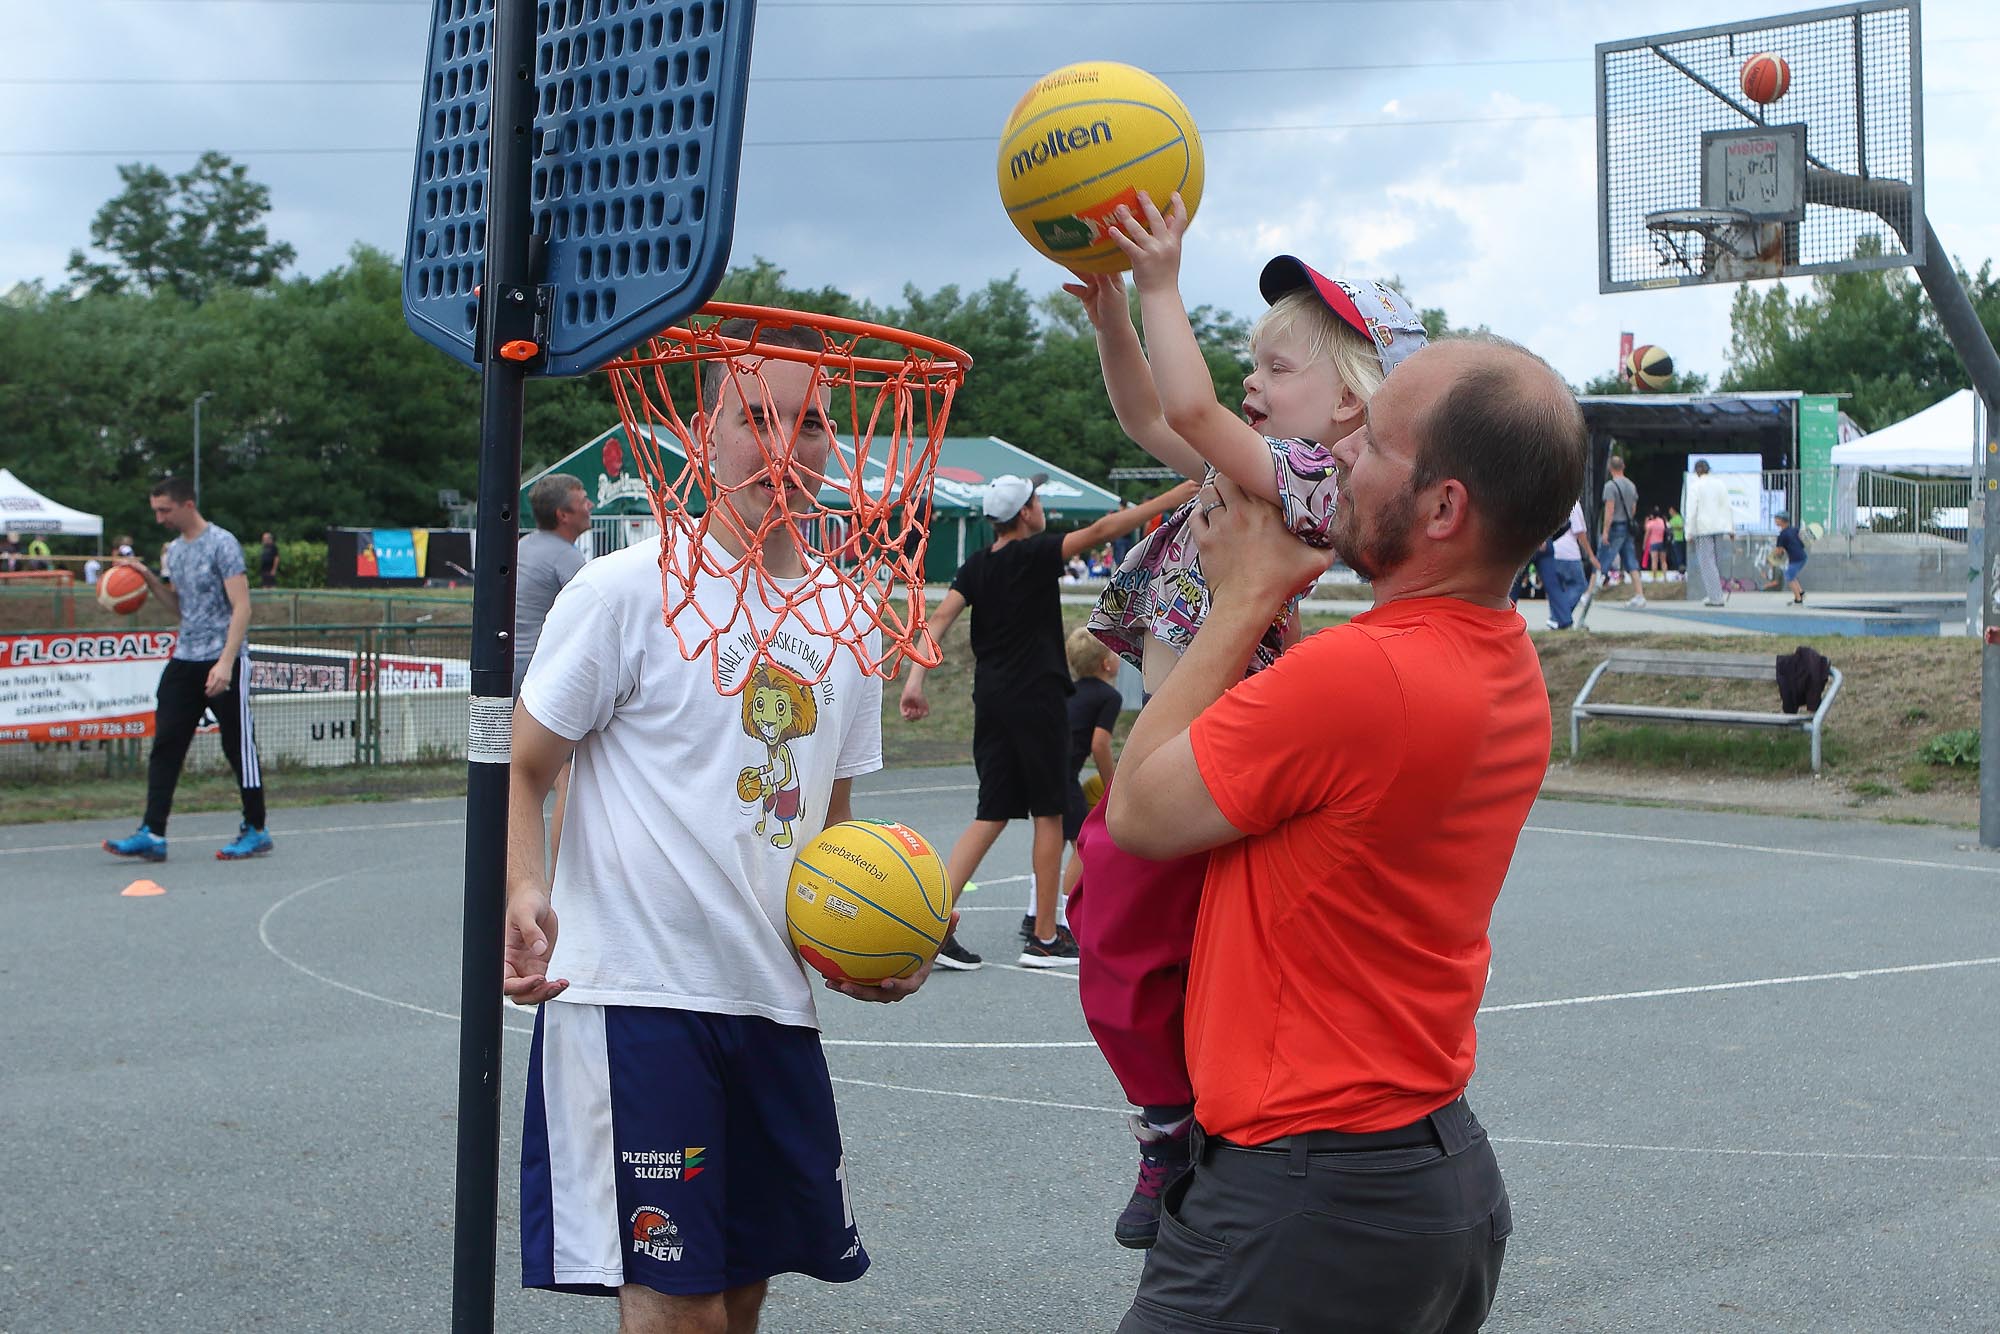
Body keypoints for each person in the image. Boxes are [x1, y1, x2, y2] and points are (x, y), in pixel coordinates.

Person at [1103, 334, 1587, 1333]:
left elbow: (1139, 810)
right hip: (1424, 1185)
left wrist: (1241, 592)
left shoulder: (1362, 679)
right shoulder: (1504, 669)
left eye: (1369, 442)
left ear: (1442, 507)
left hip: (1299, 1204)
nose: (1339, 460)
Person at [504, 319, 935, 1332]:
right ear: (701, 434)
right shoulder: (627, 588)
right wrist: (524, 887)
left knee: (744, 1292)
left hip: (771, 1000)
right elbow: (525, 766)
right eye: (756, 416)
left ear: (839, 445)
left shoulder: (844, 617)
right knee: (679, 1303)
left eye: (812, 421)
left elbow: (831, 833)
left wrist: (869, 941)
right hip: (637, 992)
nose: (786, 442)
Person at [1064, 197, 1431, 1249]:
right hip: (1174, 742)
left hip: (1215, 750)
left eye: (1275, 369)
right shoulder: (1246, 468)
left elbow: (1183, 410)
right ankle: (1168, 1114)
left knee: (1127, 931)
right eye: (1250, 367)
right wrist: (1108, 324)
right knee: (1118, 935)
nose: (1247, 387)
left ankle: (1172, 1118)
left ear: (1354, 406)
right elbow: (1151, 414)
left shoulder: (1306, 484)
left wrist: (1160, 283)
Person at [898, 473, 1194, 970]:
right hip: (1037, 700)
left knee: (991, 811)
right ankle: (1044, 936)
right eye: (1036, 500)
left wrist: (914, 681)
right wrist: (1171, 498)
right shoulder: (1034, 555)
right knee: (1050, 812)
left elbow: (940, 619)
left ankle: (934, 925)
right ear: (1025, 513)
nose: (1041, 508)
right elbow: (1103, 530)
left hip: (991, 702)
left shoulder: (975, 567)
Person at [103, 476, 271, 862]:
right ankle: (153, 832)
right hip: (185, 657)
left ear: (187, 505)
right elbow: (183, 608)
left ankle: (256, 828)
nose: (160, 518)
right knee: (166, 746)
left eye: (165, 510)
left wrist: (226, 662)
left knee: (238, 746)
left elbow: (242, 607)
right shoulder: (174, 552)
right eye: (156, 511)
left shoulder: (222, 543)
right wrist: (147, 580)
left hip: (223, 657)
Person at [513, 474, 593, 696]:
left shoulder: (524, 545)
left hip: (508, 664)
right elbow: (595, 612)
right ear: (563, 515)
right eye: (584, 501)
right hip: (537, 668)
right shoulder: (566, 557)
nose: (590, 506)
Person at [1534, 499, 1599, 631]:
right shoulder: (1573, 503)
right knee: (1579, 584)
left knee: (1557, 588)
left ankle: (1557, 618)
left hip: (1552, 549)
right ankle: (1558, 617)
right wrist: (1591, 555)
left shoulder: (1555, 501)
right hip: (1568, 553)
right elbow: (1580, 532)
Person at [1686, 459, 1736, 606]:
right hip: (1719, 528)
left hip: (1703, 529)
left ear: (1697, 471)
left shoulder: (1695, 486)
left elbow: (1691, 511)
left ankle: (1716, 597)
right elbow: (1727, 507)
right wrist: (1731, 529)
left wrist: (1689, 532)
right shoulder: (1720, 484)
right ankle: (1714, 593)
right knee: (1716, 562)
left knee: (1706, 563)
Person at [1597, 454, 1644, 604]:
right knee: (1631, 561)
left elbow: (1609, 510)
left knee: (1603, 559)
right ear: (1623, 467)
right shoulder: (1631, 485)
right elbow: (1633, 509)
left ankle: (1590, 592)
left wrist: (1605, 531)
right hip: (1627, 527)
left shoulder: (1610, 486)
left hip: (1615, 526)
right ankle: (1639, 595)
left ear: (1610, 468)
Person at [1774, 510, 1809, 603]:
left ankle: (1798, 598)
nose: (1775, 521)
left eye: (1777, 519)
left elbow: (1779, 551)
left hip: (1796, 558)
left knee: (1789, 576)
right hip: (1802, 556)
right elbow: (1802, 541)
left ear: (1782, 521)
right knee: (1792, 575)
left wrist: (1776, 555)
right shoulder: (1795, 530)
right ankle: (1801, 592)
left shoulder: (1782, 535)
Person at [1643, 507, 1668, 580]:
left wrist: (1644, 544)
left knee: (1654, 561)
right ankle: (1665, 577)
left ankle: (1654, 578)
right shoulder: (1662, 521)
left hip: (1653, 543)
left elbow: (1646, 534)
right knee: (1663, 561)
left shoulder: (1651, 523)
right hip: (1662, 542)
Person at [1667, 504, 1686, 575]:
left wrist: (1673, 527)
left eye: (1671, 511)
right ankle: (1676, 569)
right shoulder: (1671, 519)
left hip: (1678, 539)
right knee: (1673, 556)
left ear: (1674, 511)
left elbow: (1681, 526)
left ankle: (1681, 571)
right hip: (1672, 540)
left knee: (1679, 555)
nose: (1670, 512)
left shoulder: (1678, 518)